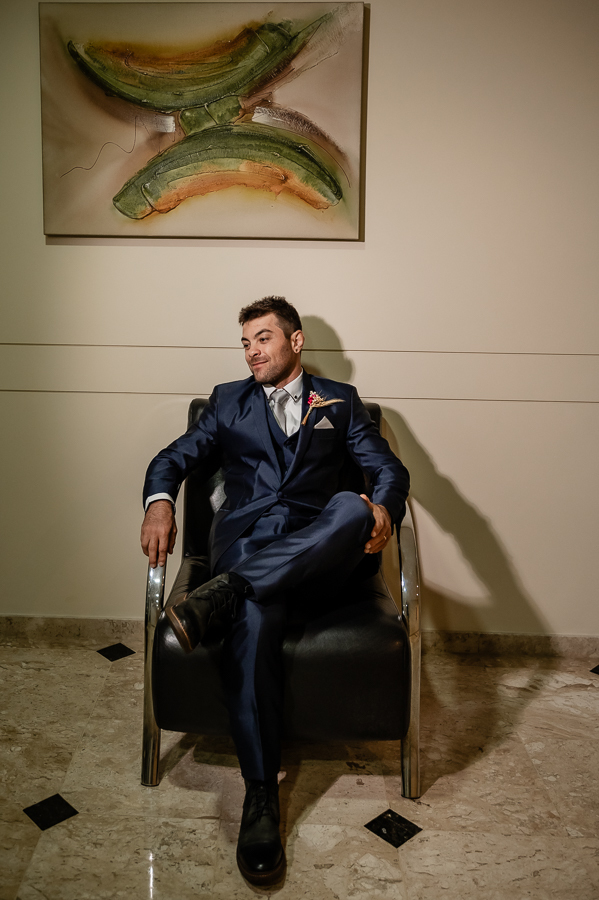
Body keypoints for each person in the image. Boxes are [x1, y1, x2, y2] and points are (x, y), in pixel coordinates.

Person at [140, 296, 409, 885]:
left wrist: (384, 509)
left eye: (263, 338)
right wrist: (160, 502)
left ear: (296, 340)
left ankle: (224, 593)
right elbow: (172, 458)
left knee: (351, 506)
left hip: (322, 558)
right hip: (249, 543)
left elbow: (389, 469)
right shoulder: (227, 401)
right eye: (245, 342)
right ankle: (261, 794)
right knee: (256, 614)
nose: (252, 352)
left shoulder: (339, 400)